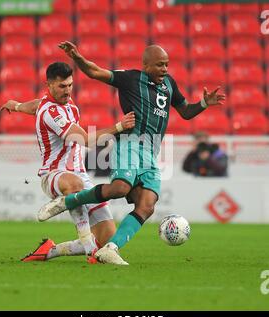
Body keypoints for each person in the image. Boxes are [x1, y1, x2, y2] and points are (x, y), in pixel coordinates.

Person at [37, 42, 226, 265]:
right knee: (120, 188)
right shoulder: (130, 79)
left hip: (151, 150)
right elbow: (95, 71)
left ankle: (110, 248)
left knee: (147, 204)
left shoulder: (169, 84)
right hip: (130, 142)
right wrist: (77, 57)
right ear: (146, 66)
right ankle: (69, 201)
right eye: (159, 65)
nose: (165, 69)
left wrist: (204, 103)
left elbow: (185, 111)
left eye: (166, 64)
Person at [1, 62, 135, 264]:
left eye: (70, 85)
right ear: (49, 85)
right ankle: (89, 247)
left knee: (107, 237)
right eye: (62, 86)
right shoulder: (51, 113)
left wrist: (17, 106)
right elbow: (86, 140)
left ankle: (50, 251)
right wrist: (119, 126)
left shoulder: (65, 104)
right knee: (75, 185)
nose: (67, 90)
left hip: (80, 175)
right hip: (54, 175)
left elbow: (36, 104)